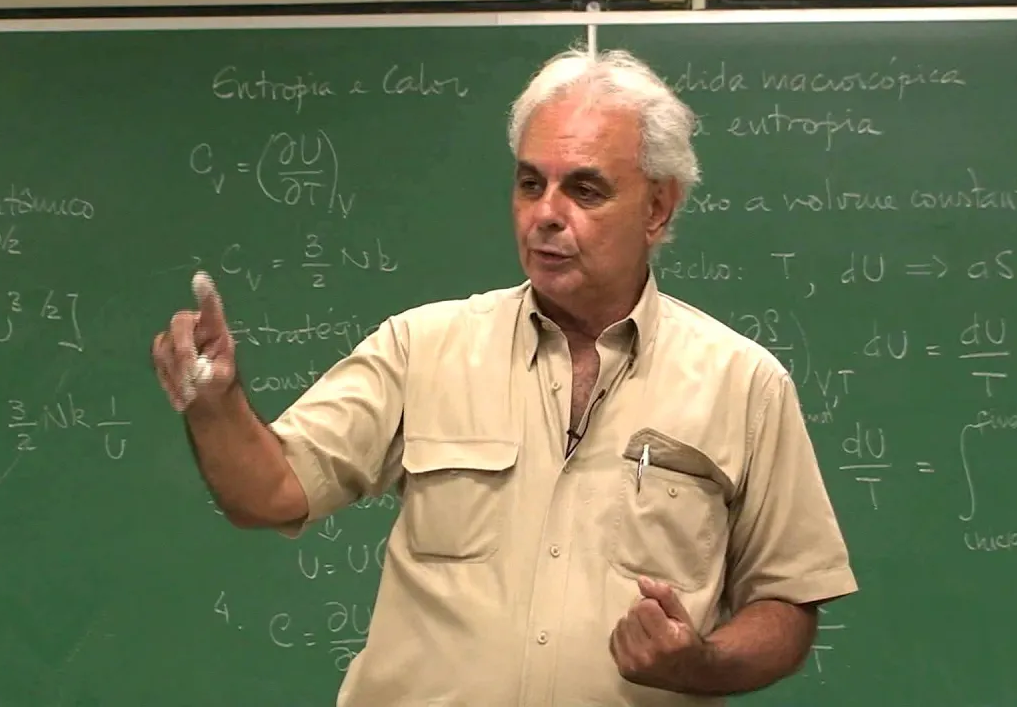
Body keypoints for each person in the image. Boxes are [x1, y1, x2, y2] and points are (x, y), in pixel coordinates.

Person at [152, 45, 857, 706]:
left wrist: (701, 663)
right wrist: (215, 403)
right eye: (530, 183)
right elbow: (270, 493)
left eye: (585, 189)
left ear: (657, 207)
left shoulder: (744, 383)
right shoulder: (421, 348)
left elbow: (788, 601)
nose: (546, 214)